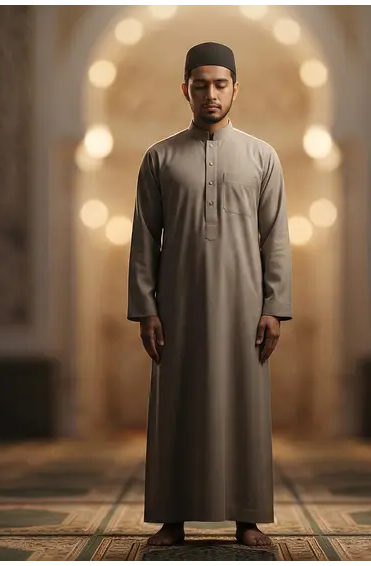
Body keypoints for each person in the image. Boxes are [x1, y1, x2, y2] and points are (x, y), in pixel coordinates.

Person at [126, 41, 292, 547]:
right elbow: (144, 238)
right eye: (201, 86)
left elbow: (275, 237)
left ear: (236, 89)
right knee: (176, 406)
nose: (211, 95)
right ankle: (171, 519)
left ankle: (248, 518)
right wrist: (146, 308)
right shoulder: (159, 157)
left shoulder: (262, 156)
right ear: (186, 90)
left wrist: (274, 307)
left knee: (245, 406)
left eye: (221, 85)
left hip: (245, 308)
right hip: (178, 306)